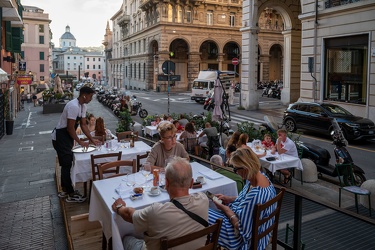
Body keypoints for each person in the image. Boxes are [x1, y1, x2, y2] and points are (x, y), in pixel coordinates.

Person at [112, 157, 209, 250]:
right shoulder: (204, 199)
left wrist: (119, 207)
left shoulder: (156, 212)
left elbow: (129, 215)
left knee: (126, 238)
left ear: (166, 183)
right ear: (192, 183)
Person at [208, 148, 276, 249]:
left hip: (241, 240)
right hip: (260, 232)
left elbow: (243, 231)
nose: (235, 172)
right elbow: (247, 201)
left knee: (203, 212)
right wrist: (230, 199)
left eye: (236, 169)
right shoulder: (260, 177)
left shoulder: (255, 195)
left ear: (245, 168)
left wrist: (225, 209)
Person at [52, 86, 99, 202]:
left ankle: (66, 190)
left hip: (67, 136)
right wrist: (80, 141)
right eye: (90, 96)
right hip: (60, 136)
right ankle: (69, 193)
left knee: (68, 162)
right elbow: (69, 128)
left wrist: (92, 140)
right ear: (84, 95)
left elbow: (83, 125)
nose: (91, 98)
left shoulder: (83, 106)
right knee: (66, 163)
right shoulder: (73, 106)